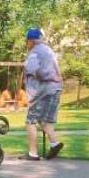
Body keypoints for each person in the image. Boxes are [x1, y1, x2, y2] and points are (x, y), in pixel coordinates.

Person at [21, 28, 64, 161]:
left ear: (31, 41)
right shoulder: (49, 51)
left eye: (27, 41)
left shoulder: (35, 52)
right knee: (45, 120)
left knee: (30, 121)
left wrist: (44, 77)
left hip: (43, 91)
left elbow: (33, 69)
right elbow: (56, 70)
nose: (27, 44)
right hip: (56, 89)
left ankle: (33, 153)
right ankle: (55, 144)